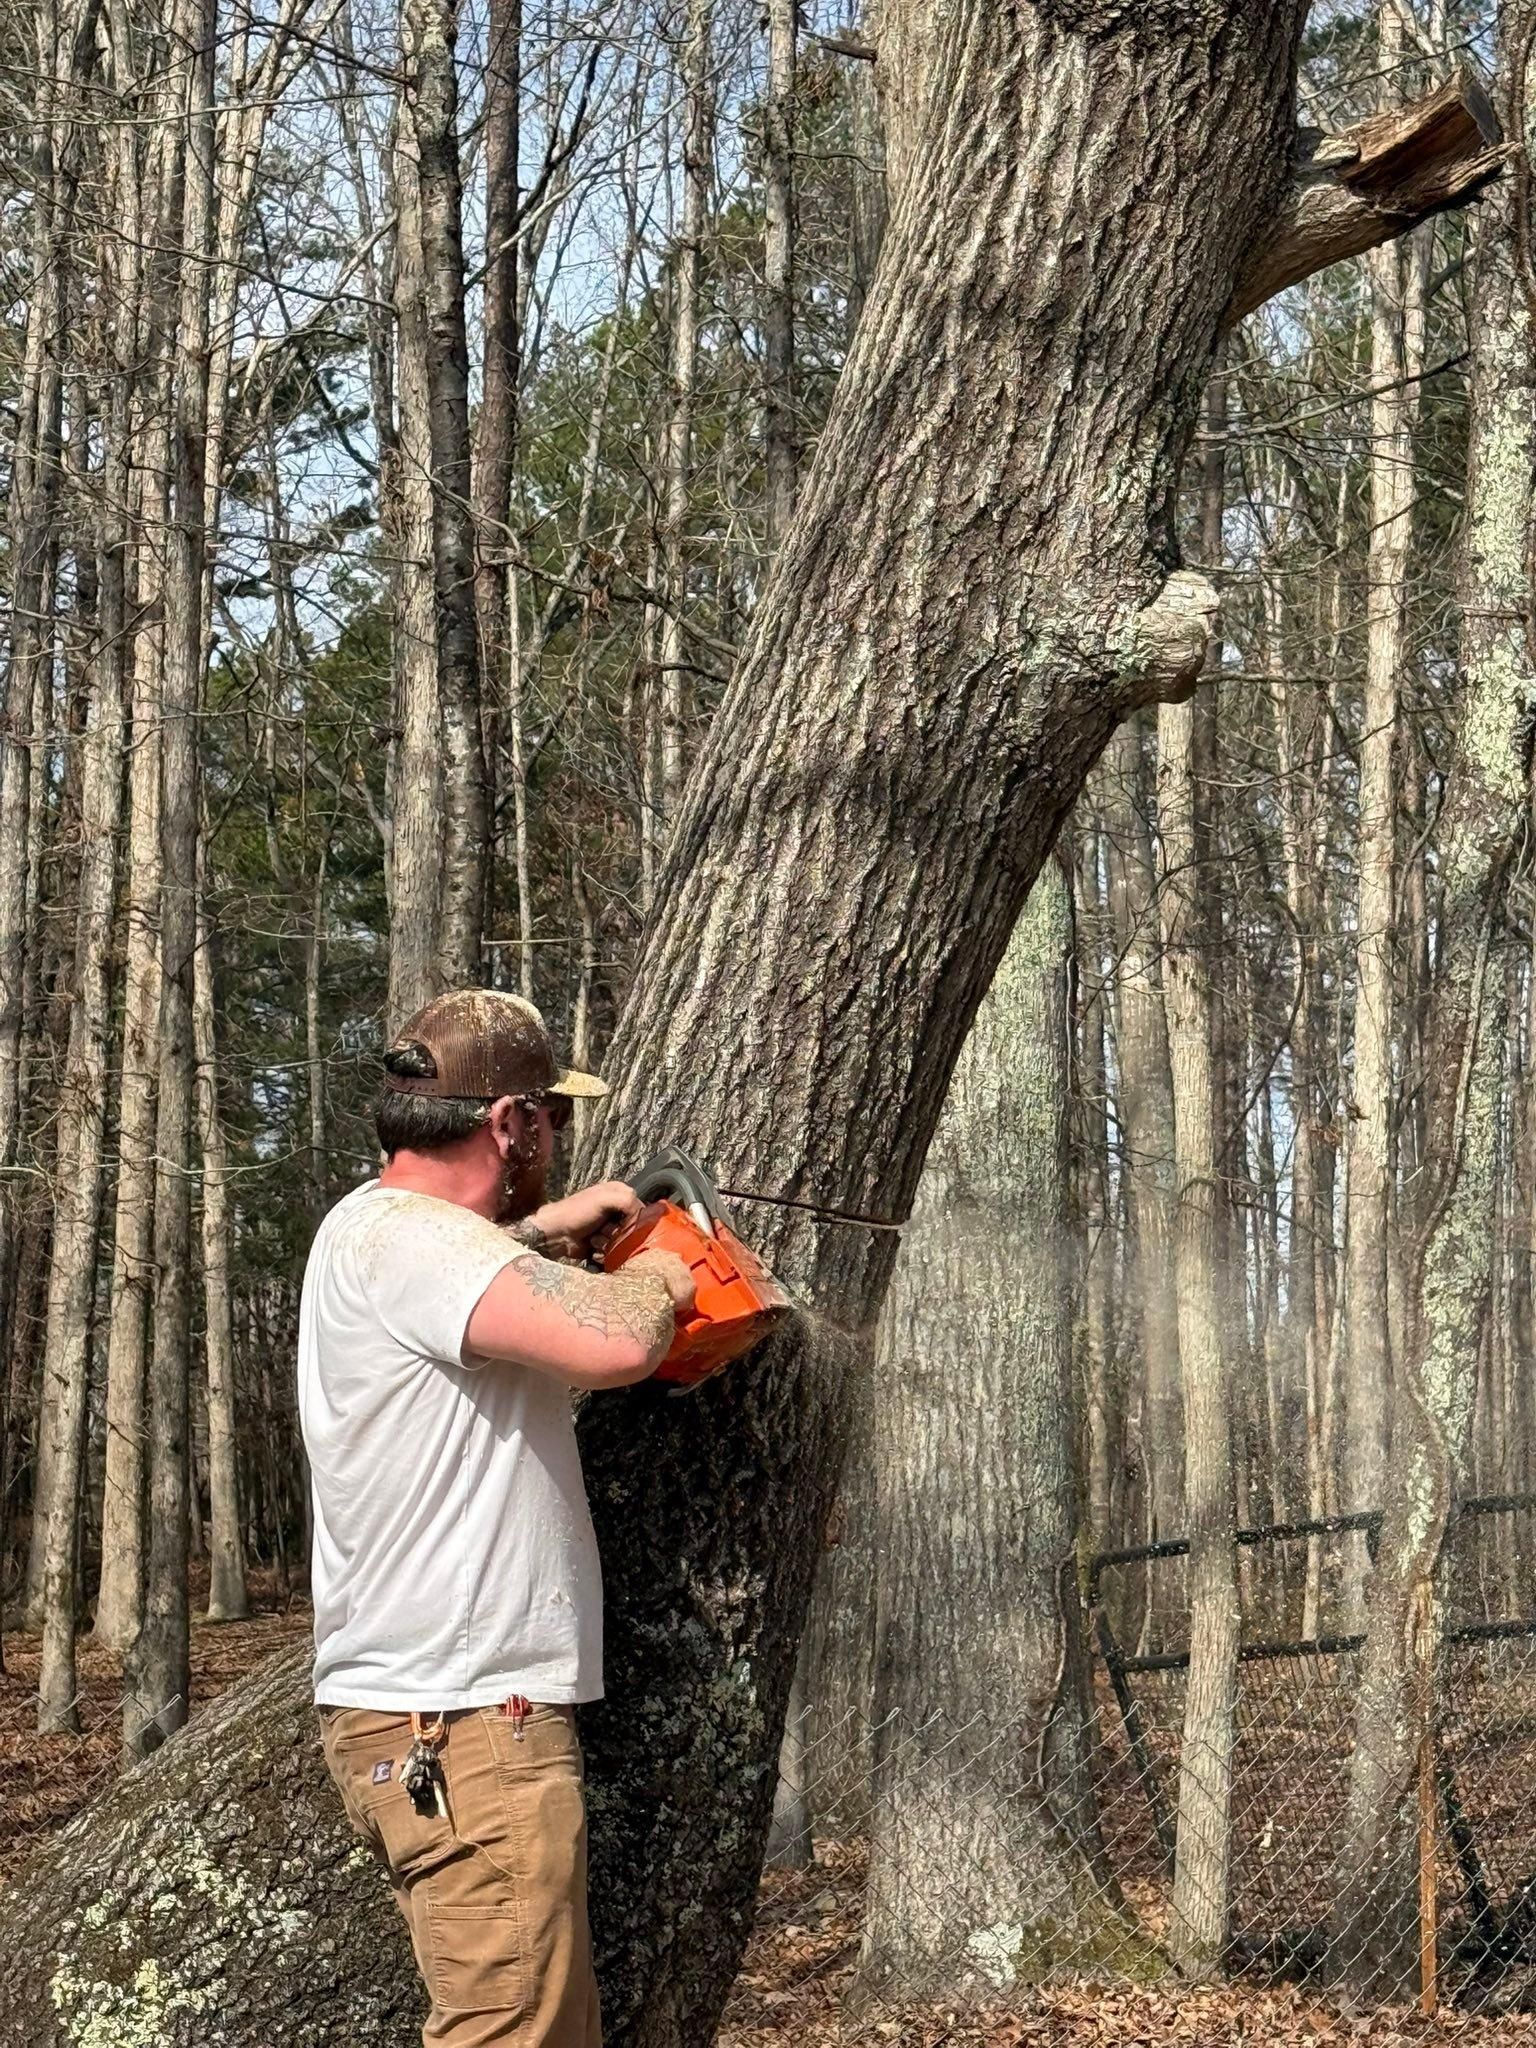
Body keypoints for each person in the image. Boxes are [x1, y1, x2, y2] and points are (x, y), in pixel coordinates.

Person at [299, 988, 696, 2048]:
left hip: (439, 1710)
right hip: (465, 1718)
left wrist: (540, 1229)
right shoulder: (426, 1245)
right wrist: (664, 1273)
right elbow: (618, 1341)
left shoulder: (369, 1225)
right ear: (510, 1122)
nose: (557, 1138)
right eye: (550, 1116)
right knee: (512, 2030)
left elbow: (470, 1269)